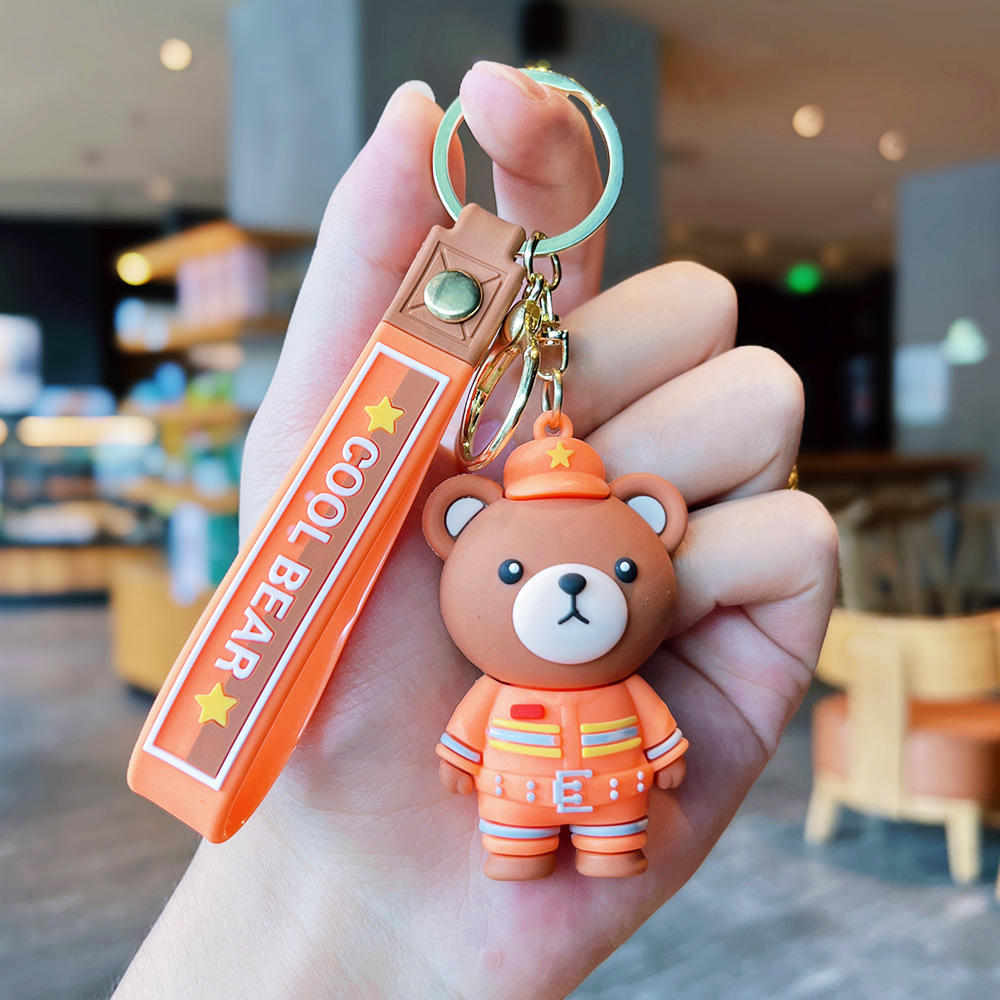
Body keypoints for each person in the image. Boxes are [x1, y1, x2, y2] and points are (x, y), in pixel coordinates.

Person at [113, 61, 837, 1000]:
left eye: (623, 565)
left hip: (608, 795)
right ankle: (523, 844)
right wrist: (326, 869)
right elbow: (467, 738)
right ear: (459, 527)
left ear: (651, 522)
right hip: (512, 796)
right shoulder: (491, 644)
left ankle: (601, 844)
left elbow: (649, 735)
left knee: (611, 836)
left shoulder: (613, 645)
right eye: (512, 569)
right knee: (517, 835)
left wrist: (660, 756)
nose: (571, 589)